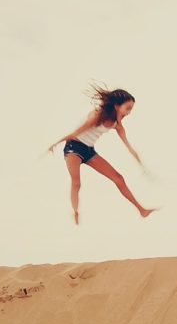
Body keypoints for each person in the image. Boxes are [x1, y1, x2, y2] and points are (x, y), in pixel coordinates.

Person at [47, 86, 155, 225]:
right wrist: (55, 143)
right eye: (128, 108)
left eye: (131, 109)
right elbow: (76, 133)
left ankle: (142, 210)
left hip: (89, 151)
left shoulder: (117, 125)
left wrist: (142, 166)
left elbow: (129, 147)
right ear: (117, 106)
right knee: (77, 182)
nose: (129, 113)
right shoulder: (97, 115)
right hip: (73, 147)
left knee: (118, 178)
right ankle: (75, 211)